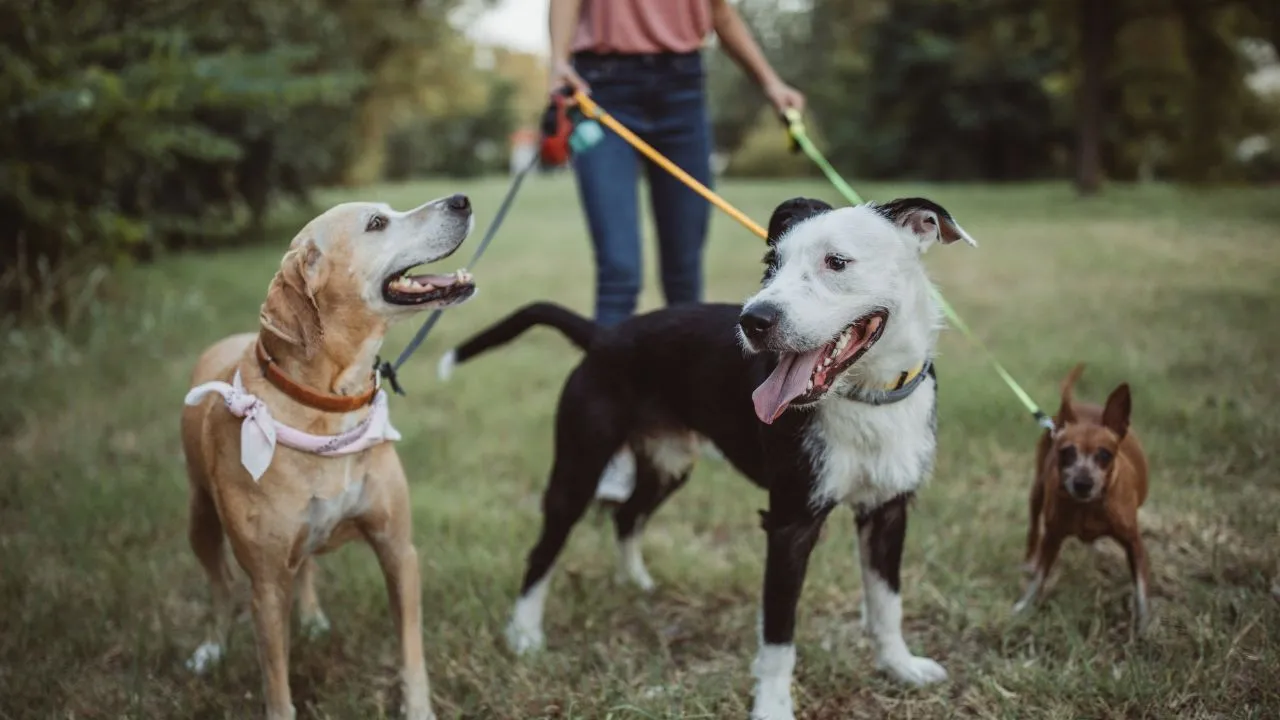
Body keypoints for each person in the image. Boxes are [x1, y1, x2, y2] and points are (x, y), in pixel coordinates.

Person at [549, 0, 805, 328]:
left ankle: (682, 380)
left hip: (682, 89)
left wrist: (771, 83)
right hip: (599, 88)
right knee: (619, 273)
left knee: (684, 274)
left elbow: (719, 11)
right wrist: (557, 60)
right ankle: (607, 378)